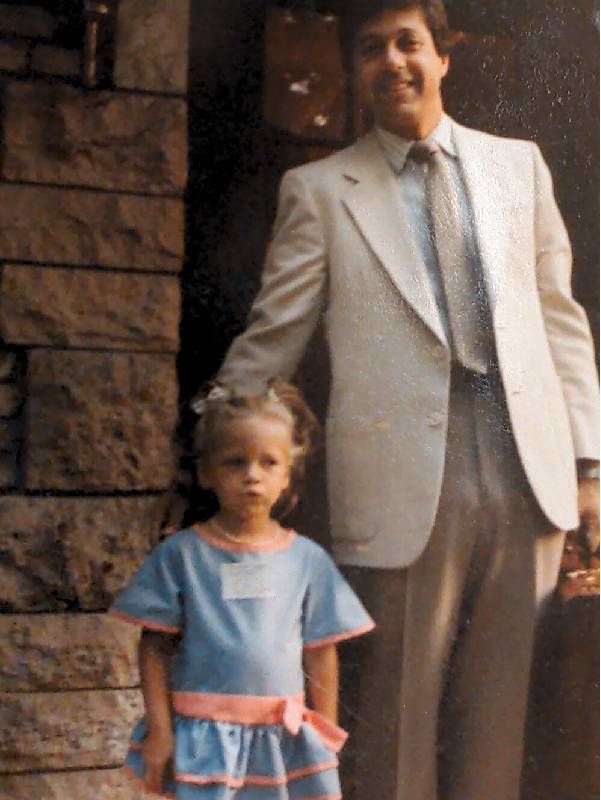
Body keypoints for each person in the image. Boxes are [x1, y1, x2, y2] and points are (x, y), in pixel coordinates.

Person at [205, 2, 600, 798]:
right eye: (370, 49)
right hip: (398, 481)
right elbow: (273, 335)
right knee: (391, 728)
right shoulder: (319, 189)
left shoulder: (516, 166)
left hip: (526, 474)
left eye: (408, 43)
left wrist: (589, 467)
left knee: (497, 725)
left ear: (442, 57)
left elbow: (561, 323)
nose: (393, 62)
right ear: (354, 70)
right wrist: (211, 444)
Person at [109, 379, 374, 800]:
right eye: (235, 462)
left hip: (281, 740)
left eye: (268, 463)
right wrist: (161, 729)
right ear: (207, 472)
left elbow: (321, 650)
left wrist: (323, 730)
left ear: (287, 474)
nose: (252, 476)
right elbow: (154, 647)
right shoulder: (182, 556)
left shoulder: (306, 560)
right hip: (203, 740)